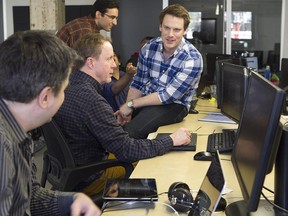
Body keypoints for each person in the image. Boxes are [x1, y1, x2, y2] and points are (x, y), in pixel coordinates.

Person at [53, 33, 191, 196]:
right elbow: (128, 151)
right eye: (109, 59)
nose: (114, 64)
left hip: (70, 172)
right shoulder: (92, 101)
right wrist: (171, 140)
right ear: (91, 62)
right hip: (91, 179)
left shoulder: (66, 87)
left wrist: (108, 124)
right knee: (153, 165)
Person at [0, 31, 101, 215]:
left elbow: (27, 197)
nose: (65, 96)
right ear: (45, 97)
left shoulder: (17, 130)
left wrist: (70, 201)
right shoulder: (3, 145)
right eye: (64, 90)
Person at [117, 4, 203, 139]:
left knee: (131, 133)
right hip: (146, 100)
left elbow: (167, 96)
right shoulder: (149, 47)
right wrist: (127, 111)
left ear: (184, 31)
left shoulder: (192, 58)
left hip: (174, 105)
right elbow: (138, 82)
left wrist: (130, 105)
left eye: (176, 30)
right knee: (118, 127)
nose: (170, 34)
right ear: (160, 27)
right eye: (167, 28)